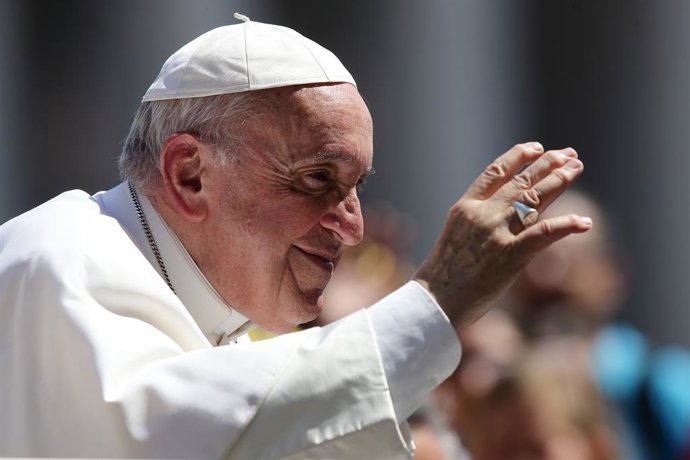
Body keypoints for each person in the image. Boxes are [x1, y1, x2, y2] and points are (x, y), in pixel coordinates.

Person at [0, 14, 591, 459]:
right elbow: (170, 439)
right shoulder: (60, 264)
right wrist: (438, 298)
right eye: (318, 178)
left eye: (358, 185)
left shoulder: (216, 317)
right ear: (190, 173)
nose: (353, 226)